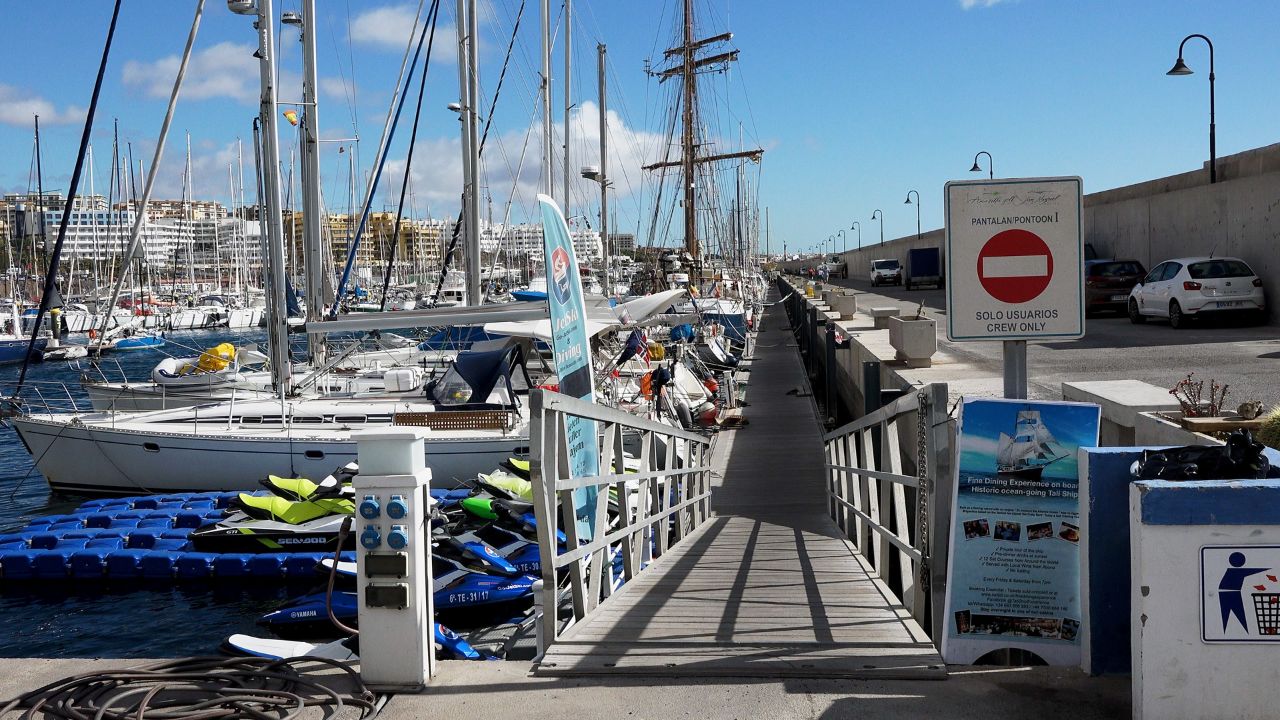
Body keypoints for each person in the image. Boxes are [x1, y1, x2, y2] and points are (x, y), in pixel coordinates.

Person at [1219, 551, 1268, 632]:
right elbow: (1249, 571)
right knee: (1236, 616)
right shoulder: (1233, 571)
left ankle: (1244, 632)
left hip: (1229, 592)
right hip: (1230, 593)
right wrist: (1266, 569)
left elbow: (1247, 571)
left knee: (1236, 617)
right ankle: (1244, 632)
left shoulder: (1231, 571)